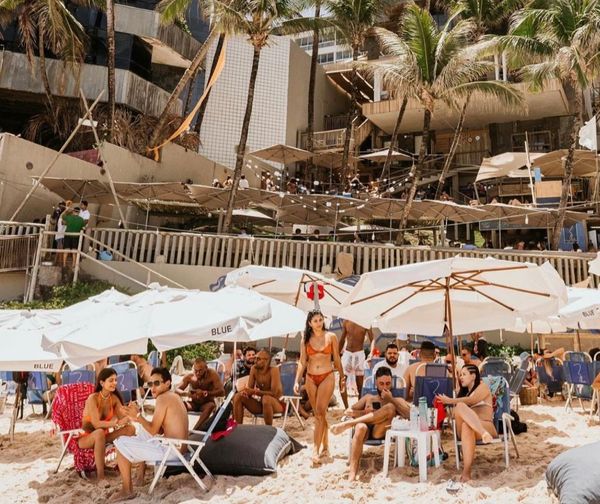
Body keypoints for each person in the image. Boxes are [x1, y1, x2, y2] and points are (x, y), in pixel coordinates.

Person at [111, 368, 188, 501]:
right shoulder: (172, 396)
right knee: (141, 429)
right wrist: (135, 417)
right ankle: (140, 477)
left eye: (157, 383)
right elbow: (159, 430)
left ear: (168, 383)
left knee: (119, 441)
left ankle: (127, 489)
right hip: (178, 446)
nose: (153, 388)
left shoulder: (163, 399)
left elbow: (153, 430)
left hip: (172, 450)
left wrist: (138, 416)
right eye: (150, 384)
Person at [330, 367, 410, 481]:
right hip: (366, 429)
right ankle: (352, 474)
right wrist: (364, 412)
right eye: (381, 384)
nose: (385, 387)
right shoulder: (369, 397)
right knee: (360, 427)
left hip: (381, 431)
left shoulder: (396, 400)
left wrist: (391, 400)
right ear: (376, 383)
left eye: (388, 383)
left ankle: (347, 424)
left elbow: (410, 414)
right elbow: (348, 411)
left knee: (390, 408)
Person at [294, 310, 345, 465]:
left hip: (327, 376)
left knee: (320, 413)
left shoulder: (331, 337)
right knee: (319, 414)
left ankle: (315, 451)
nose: (318, 323)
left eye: (320, 319)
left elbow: (336, 358)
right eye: (315, 320)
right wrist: (297, 381)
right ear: (310, 323)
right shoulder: (305, 339)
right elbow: (302, 361)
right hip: (310, 377)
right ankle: (326, 447)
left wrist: (342, 377)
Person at [436, 365, 496, 482]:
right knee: (461, 407)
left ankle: (466, 472)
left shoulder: (483, 387)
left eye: (464, 374)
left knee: (466, 425)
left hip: (486, 425)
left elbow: (472, 400)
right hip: (478, 431)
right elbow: (454, 414)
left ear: (473, 376)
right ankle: (482, 433)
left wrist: (450, 401)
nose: (461, 377)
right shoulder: (462, 393)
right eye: (460, 375)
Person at [78, 368, 135, 480]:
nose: (115, 383)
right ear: (102, 383)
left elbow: (123, 418)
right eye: (111, 380)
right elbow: (96, 424)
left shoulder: (113, 399)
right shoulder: (92, 398)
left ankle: (122, 466)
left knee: (130, 429)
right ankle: (101, 477)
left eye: (116, 380)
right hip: (86, 438)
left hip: (103, 437)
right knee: (99, 432)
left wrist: (130, 411)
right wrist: (114, 424)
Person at [233, 349, 284, 425]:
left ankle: (268, 429)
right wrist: (246, 392)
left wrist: (254, 392)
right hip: (262, 404)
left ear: (266, 361)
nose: (255, 360)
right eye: (255, 358)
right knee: (238, 396)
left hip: (277, 404)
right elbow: (250, 390)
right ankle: (237, 427)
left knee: (266, 399)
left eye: (258, 359)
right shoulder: (254, 369)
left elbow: (274, 393)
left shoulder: (274, 370)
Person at [176, 358, 225, 430]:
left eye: (200, 370)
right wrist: (188, 394)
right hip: (193, 404)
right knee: (179, 404)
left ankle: (195, 430)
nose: (198, 373)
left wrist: (207, 393)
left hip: (206, 403)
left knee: (211, 405)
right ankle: (179, 428)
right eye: (196, 370)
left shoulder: (212, 374)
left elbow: (222, 392)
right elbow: (177, 390)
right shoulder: (190, 376)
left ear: (206, 368)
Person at [339, 320, 374, 408]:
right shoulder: (347, 321)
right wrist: (336, 354)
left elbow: (372, 339)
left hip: (359, 354)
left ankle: (359, 406)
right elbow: (342, 339)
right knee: (342, 381)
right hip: (347, 353)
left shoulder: (365, 320)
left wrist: (371, 353)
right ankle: (346, 407)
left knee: (360, 385)